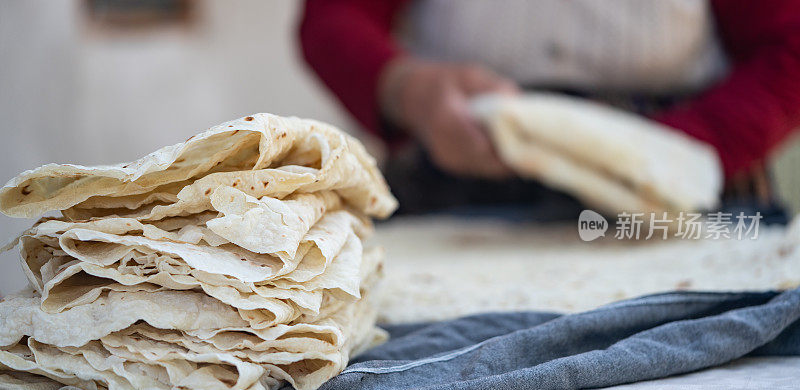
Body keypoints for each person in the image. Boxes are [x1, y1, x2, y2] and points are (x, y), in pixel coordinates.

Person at [299, 0, 800, 220]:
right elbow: (332, 17)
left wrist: (659, 156)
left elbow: (789, 46)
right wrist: (409, 91)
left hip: (688, 181)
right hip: (463, 167)